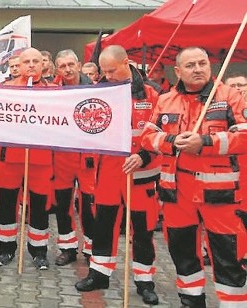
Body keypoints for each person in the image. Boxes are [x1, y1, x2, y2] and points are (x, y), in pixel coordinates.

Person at [140, 47, 247, 308]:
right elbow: (147, 136)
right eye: (190, 65)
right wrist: (173, 141)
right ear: (177, 71)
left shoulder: (229, 96)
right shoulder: (166, 100)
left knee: (228, 259)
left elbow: (244, 136)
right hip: (177, 194)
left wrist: (205, 142)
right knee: (183, 255)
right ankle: (191, 301)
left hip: (219, 197)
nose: (198, 69)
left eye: (202, 63)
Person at [74, 45, 161, 305]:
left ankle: (145, 281)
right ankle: (99, 273)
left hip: (141, 173)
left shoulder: (151, 93)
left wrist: (144, 156)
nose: (108, 75)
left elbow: (159, 134)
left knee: (143, 231)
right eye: (104, 71)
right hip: (107, 173)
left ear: (127, 63)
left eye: (112, 70)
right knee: (104, 226)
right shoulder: (98, 91)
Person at [0, 48, 56, 270]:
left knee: (39, 207)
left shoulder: (55, 92)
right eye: (26, 61)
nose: (31, 65)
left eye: (35, 61)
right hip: (10, 157)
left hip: (41, 158)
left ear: (43, 64)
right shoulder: (6, 89)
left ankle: (38, 251)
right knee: (7, 205)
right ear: (18, 65)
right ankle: (6, 248)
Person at [51, 49, 97, 266]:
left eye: (71, 64)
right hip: (62, 156)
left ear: (79, 65)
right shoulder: (52, 91)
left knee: (89, 205)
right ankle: (67, 247)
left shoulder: (97, 91)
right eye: (62, 66)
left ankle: (90, 248)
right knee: (63, 205)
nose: (67, 69)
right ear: (56, 69)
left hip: (89, 157)